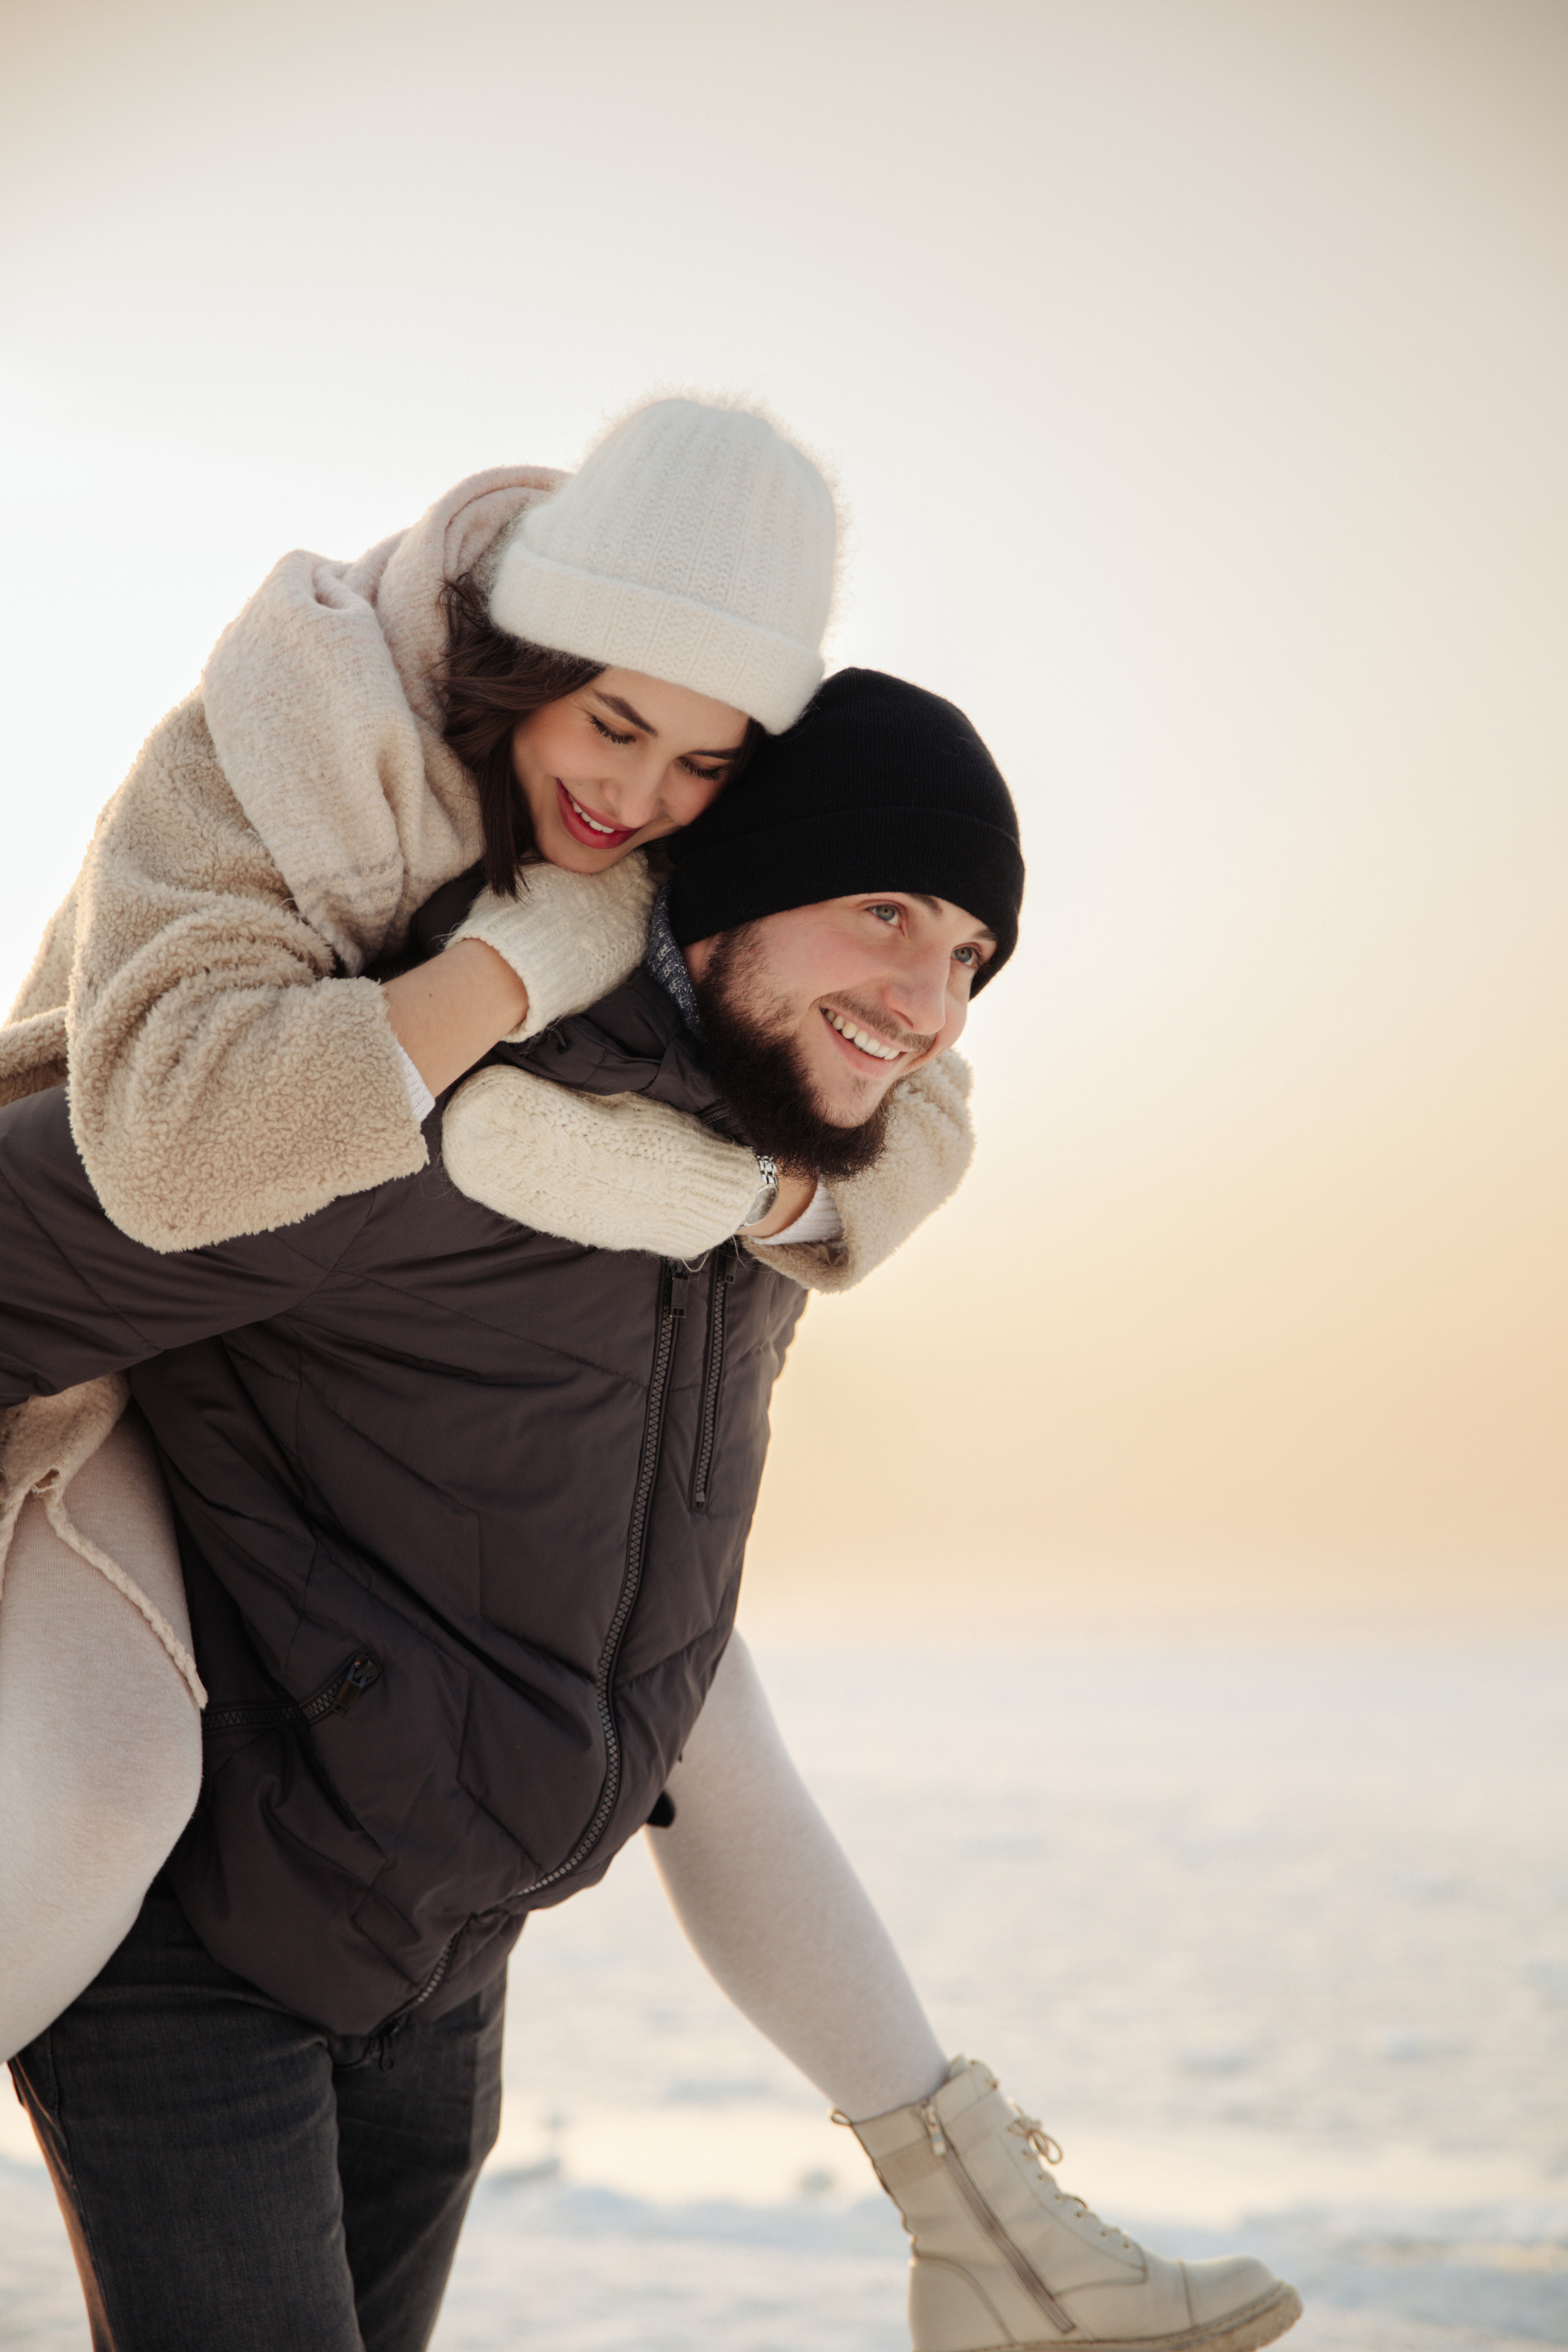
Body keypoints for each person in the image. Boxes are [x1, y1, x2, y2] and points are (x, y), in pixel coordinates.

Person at [0, 673, 1301, 2352]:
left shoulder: (771, 1175)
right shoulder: (425, 1132)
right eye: (885, 913)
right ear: (741, 889)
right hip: (205, 1935)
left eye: (972, 954)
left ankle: (996, 2239)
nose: (930, 1002)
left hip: (442, 1958)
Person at [0, 396, 970, 2056]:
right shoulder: (290, 729)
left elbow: (917, 1105)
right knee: (105, 1792)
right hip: (112, 1333)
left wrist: (732, 1193)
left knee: (686, 1682)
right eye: (613, 724)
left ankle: (959, 2170)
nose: (638, 796)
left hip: (346, 1361)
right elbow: (176, 1156)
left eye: (703, 764)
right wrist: (516, 967)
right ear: (539, 655)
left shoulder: (702, 841)